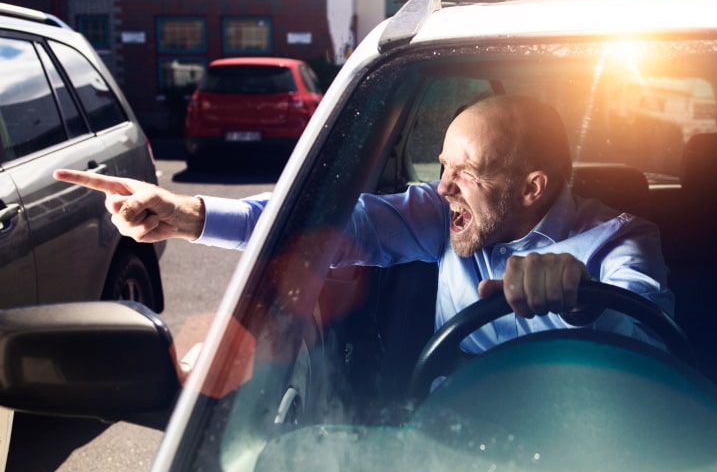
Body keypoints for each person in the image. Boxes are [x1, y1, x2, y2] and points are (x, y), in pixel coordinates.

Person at [54, 95, 673, 353]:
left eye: (467, 172)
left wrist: (585, 302)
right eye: (442, 166)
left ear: (532, 187)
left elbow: (649, 322)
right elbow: (327, 221)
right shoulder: (441, 217)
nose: (442, 186)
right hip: (458, 433)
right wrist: (191, 214)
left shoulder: (622, 238)